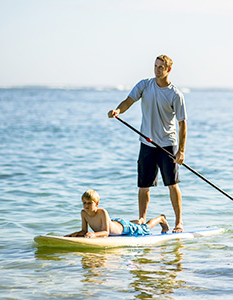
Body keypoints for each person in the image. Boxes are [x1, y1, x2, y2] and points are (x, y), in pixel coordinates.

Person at [108, 55, 187, 233]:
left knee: (172, 184)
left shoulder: (175, 94)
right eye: (155, 66)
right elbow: (128, 101)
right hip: (147, 143)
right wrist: (118, 110)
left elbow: (182, 124)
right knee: (144, 186)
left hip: (167, 144)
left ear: (168, 70)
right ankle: (142, 218)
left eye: (161, 67)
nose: (157, 70)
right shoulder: (145, 85)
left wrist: (181, 151)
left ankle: (179, 222)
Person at [65, 190, 169, 238]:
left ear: (96, 204)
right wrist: (74, 234)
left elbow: (106, 232)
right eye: (84, 203)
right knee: (138, 224)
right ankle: (137, 221)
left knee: (144, 228)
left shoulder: (102, 212)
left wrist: (94, 235)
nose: (86, 206)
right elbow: (84, 231)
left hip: (124, 227)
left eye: (89, 203)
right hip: (114, 222)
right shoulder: (83, 213)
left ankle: (160, 218)